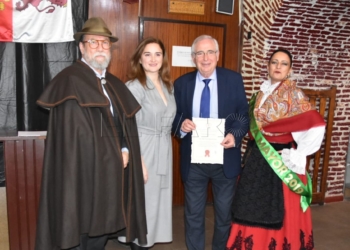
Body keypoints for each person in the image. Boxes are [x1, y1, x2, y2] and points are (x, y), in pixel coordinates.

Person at [35, 17, 147, 250]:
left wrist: (125, 148)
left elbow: (123, 124)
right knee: (80, 226)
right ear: (82, 47)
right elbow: (72, 135)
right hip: (80, 173)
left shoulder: (114, 84)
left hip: (110, 174)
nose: (100, 48)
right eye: (93, 42)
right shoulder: (69, 81)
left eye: (105, 43)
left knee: (102, 229)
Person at [226, 49, 326, 250]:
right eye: (274, 62)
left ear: (289, 69)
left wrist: (297, 153)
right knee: (251, 205)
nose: (278, 67)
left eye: (284, 63)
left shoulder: (293, 94)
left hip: (279, 160)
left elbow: (317, 125)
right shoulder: (261, 92)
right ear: (268, 66)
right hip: (256, 159)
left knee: (277, 209)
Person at [172, 35, 249, 250]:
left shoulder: (233, 80)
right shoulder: (181, 84)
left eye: (210, 52)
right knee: (193, 215)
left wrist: (235, 135)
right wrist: (181, 124)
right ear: (193, 57)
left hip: (225, 159)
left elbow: (243, 114)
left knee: (224, 216)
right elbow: (173, 116)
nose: (205, 58)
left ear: (217, 55)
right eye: (200, 53)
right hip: (194, 161)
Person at [118, 37, 176, 249]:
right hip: (143, 147)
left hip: (164, 147)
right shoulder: (134, 86)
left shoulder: (168, 86)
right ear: (139, 60)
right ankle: (138, 242)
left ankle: (149, 240)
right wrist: (138, 160)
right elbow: (127, 126)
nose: (153, 59)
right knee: (142, 201)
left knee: (157, 200)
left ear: (163, 58)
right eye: (147, 54)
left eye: (157, 54)